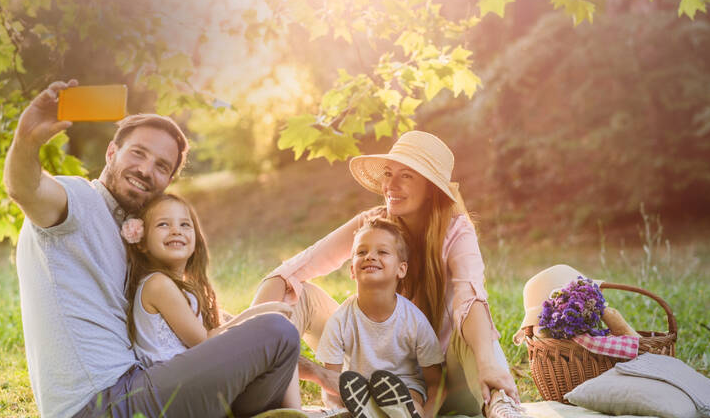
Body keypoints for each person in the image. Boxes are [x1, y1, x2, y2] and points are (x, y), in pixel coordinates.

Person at [5, 80, 302, 418]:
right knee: (276, 332)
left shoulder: (138, 239)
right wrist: (26, 141)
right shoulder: (78, 202)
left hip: (137, 388)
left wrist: (309, 369)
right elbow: (25, 188)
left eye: (162, 166)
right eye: (138, 153)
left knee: (274, 336)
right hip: (103, 403)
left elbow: (196, 322)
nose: (146, 170)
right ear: (111, 153)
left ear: (168, 183)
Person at [254, 130, 527, 418]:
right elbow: (290, 272)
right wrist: (253, 336)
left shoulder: (456, 232)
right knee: (297, 294)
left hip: (441, 378)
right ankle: (273, 402)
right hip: (374, 372)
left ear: (431, 187)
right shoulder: (372, 224)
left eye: (406, 175)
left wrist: (487, 361)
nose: (390, 185)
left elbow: (470, 299)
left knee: (476, 328)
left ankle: (502, 404)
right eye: (388, 173)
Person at [123, 193, 301, 409]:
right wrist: (256, 315)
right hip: (173, 390)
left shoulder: (182, 289)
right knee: (278, 330)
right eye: (163, 224)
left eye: (185, 224)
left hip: (194, 384)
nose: (176, 230)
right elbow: (204, 341)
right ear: (142, 243)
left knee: (282, 341)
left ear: (196, 239)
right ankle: (292, 412)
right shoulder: (158, 284)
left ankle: (294, 412)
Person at [317, 217, 444, 418]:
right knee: (347, 398)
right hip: (359, 391)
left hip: (405, 387)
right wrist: (338, 410)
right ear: (352, 269)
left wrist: (427, 415)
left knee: (410, 401)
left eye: (382, 252)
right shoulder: (340, 320)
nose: (370, 256)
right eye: (361, 252)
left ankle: (403, 413)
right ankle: (368, 411)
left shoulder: (414, 320)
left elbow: (436, 383)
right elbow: (330, 382)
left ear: (401, 269)